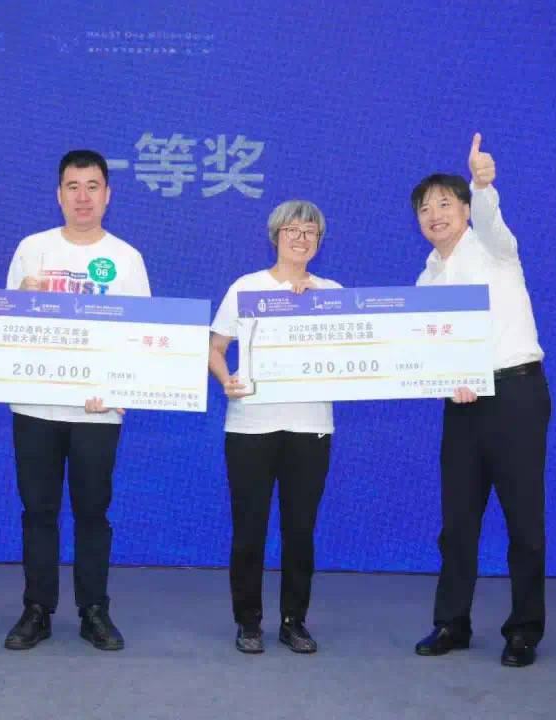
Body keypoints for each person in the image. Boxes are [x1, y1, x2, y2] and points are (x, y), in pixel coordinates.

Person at [411, 134, 552, 668]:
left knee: (524, 521)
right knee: (457, 522)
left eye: (446, 203)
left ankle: (524, 631)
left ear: (466, 210)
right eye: (425, 209)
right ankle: (452, 622)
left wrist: (482, 183)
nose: (435, 215)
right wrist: (444, 379)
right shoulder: (426, 278)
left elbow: (492, 219)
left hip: (515, 394)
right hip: (463, 405)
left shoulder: (493, 246)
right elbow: (421, 351)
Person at [3, 150, 150, 652]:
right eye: (73, 186)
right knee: (38, 511)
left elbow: (143, 335)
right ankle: (37, 609)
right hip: (34, 406)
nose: (82, 196)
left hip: (97, 409)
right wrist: (22, 301)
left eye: (92, 186)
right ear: (58, 194)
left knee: (92, 512)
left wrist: (122, 389)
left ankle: (94, 610)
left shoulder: (126, 258)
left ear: (108, 195)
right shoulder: (32, 249)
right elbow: (3, 329)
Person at [207, 200, 339, 654]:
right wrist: (226, 380)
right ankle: (248, 622)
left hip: (311, 426)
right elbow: (215, 347)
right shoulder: (246, 287)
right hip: (250, 427)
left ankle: (293, 621)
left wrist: (318, 307)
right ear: (275, 236)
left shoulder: (332, 292)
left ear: (319, 242)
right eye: (292, 230)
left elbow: (354, 353)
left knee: (300, 531)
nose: (300, 239)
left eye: (310, 232)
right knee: (249, 529)